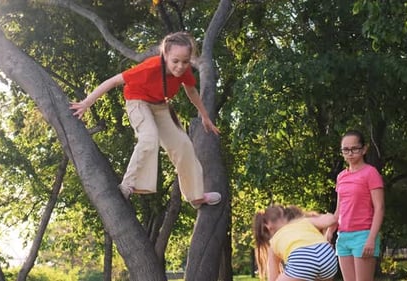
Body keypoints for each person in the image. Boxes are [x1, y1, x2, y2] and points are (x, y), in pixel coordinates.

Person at [70, 31, 221, 208]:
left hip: (160, 106)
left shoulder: (184, 71)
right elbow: (113, 81)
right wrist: (86, 103)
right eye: (175, 61)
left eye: (185, 61)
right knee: (149, 137)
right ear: (165, 55)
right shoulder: (149, 67)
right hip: (138, 102)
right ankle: (128, 185)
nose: (180, 66)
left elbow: (192, 91)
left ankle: (196, 197)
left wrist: (204, 116)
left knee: (184, 146)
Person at [325, 129, 385, 281]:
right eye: (345, 150)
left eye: (354, 149)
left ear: (364, 149)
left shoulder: (370, 173)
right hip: (343, 237)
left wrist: (371, 238)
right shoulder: (341, 177)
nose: (350, 153)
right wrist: (330, 232)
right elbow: (339, 210)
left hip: (363, 235)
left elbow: (379, 208)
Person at [253, 205, 338, 281]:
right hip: (327, 255)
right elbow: (332, 219)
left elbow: (273, 278)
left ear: (268, 226)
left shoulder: (273, 242)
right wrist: (328, 234)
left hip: (301, 258)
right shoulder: (303, 221)